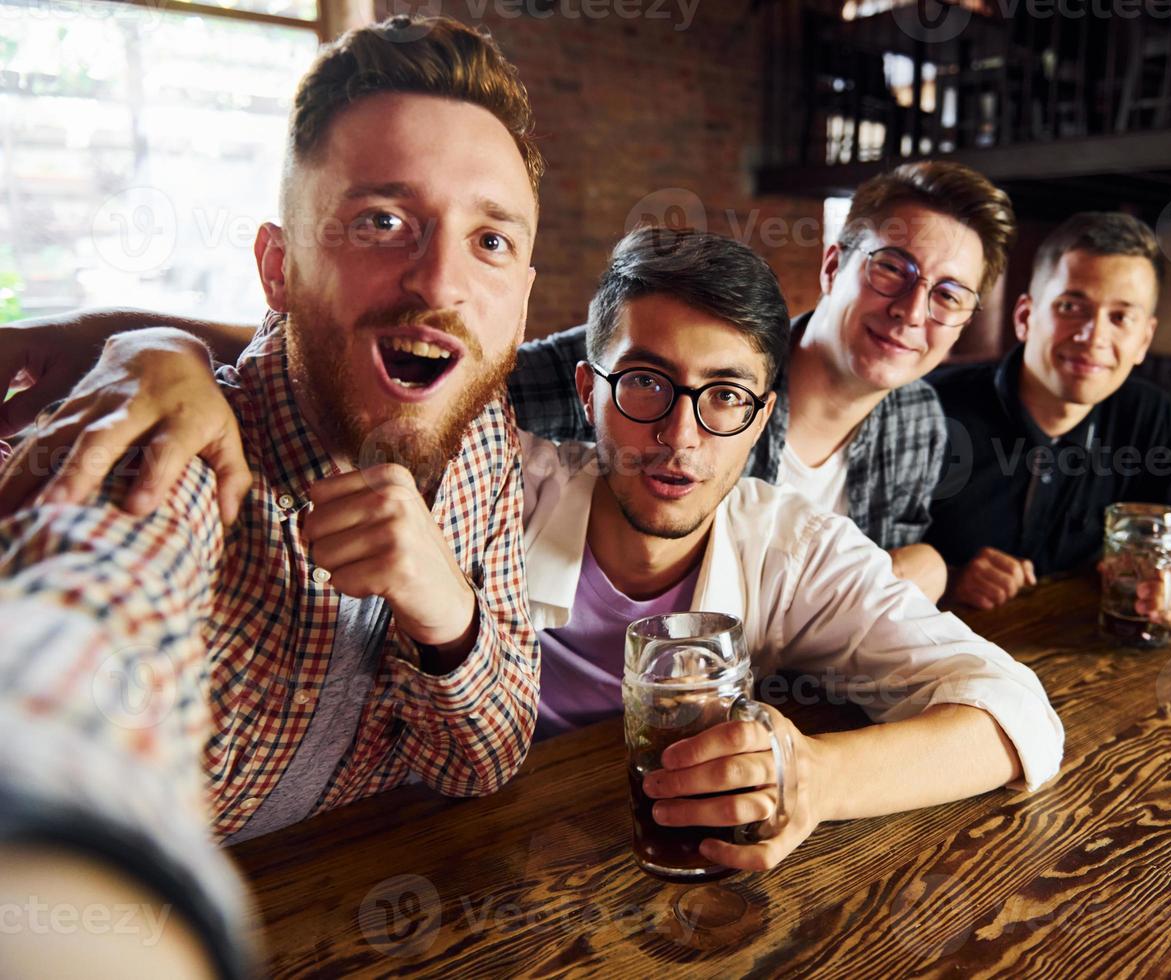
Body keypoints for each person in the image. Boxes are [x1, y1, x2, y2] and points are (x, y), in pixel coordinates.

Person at [0, 16, 543, 974]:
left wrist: (443, 609)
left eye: (489, 239)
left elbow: (484, 761)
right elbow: (83, 626)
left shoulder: (481, 431)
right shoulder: (170, 434)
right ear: (277, 267)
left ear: (526, 298)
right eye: (383, 221)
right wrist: (49, 832)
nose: (440, 282)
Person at [0, 162, 1017, 600]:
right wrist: (132, 334)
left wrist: (925, 565)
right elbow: (411, 365)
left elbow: (896, 564)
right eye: (893, 269)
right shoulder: (657, 374)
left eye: (948, 295)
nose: (914, 308)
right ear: (838, 265)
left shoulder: (921, 424)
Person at [519, 226, 1062, 872]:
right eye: (644, 381)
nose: (680, 437)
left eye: (725, 396)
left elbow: (1020, 714)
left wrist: (819, 776)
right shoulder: (503, 491)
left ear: (760, 416)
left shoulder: (789, 546)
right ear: (587, 391)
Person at [923, 212, 1171, 634]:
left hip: (1085, 670)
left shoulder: (1149, 417)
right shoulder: (930, 408)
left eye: (1120, 318)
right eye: (1071, 307)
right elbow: (851, 561)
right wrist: (948, 583)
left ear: (1144, 340)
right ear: (1025, 317)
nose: (1094, 336)